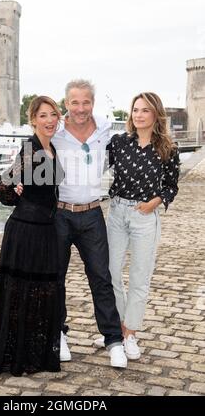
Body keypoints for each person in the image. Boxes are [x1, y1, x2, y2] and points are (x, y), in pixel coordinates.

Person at [0, 96, 64, 377]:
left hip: (44, 231)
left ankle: (30, 355)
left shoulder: (50, 147)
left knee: (38, 293)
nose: (50, 120)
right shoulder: (30, 148)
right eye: (43, 115)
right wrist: (12, 188)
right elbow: (2, 186)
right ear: (33, 120)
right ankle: (17, 359)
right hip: (26, 230)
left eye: (53, 114)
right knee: (22, 294)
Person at [94, 92, 180, 360]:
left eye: (145, 110)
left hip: (145, 216)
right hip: (117, 211)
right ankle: (115, 331)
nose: (138, 114)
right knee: (111, 273)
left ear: (156, 114)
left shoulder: (167, 148)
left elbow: (171, 186)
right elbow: (91, 164)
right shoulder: (119, 143)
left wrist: (155, 202)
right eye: (135, 109)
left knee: (140, 277)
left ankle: (130, 333)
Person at [52, 79, 127, 368]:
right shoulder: (55, 130)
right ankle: (57, 334)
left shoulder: (106, 129)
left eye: (85, 102)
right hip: (59, 214)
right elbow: (34, 155)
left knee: (101, 278)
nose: (80, 108)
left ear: (92, 103)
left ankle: (113, 340)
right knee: (55, 278)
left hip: (92, 214)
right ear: (66, 104)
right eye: (74, 102)